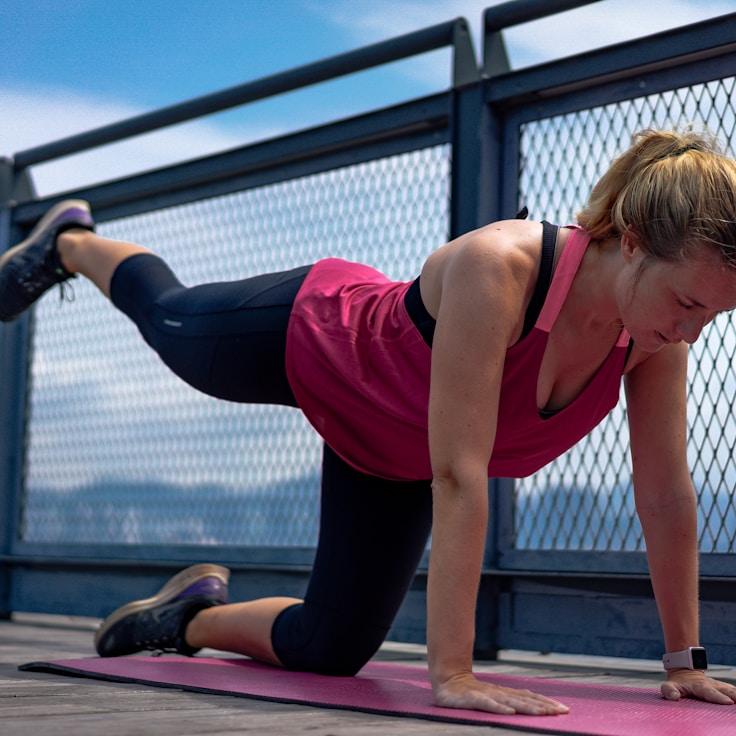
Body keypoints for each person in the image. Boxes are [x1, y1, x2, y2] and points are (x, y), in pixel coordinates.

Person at [3, 128, 736, 716]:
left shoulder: (652, 342)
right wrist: (452, 673)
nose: (694, 332)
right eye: (690, 305)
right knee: (172, 324)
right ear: (634, 241)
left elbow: (665, 495)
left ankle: (183, 619)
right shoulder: (502, 267)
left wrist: (685, 662)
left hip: (387, 453)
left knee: (330, 647)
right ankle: (70, 243)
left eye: (714, 315)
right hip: (318, 342)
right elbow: (459, 472)